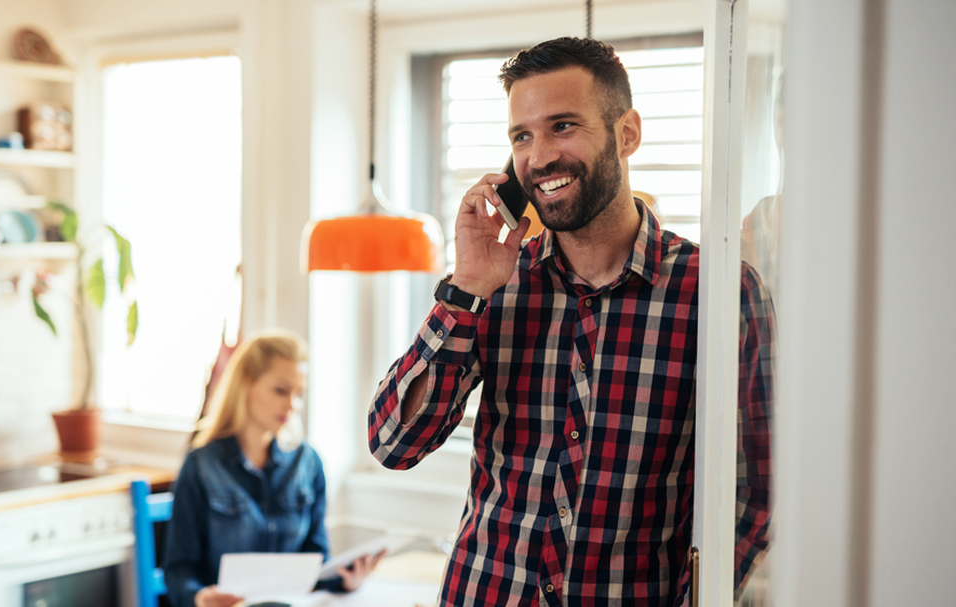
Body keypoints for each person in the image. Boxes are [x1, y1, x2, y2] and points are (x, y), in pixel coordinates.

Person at [368, 37, 774, 607]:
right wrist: (465, 292)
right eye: (521, 136)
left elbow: (755, 493)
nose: (538, 158)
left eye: (563, 126)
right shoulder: (496, 285)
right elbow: (393, 442)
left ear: (626, 133)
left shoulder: (719, 290)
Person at [165, 330, 384, 607]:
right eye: (281, 390)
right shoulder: (201, 465)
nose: (292, 405)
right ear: (246, 383)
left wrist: (346, 580)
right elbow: (178, 571)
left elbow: (315, 563)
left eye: (299, 394)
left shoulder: (308, 463)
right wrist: (199, 598)